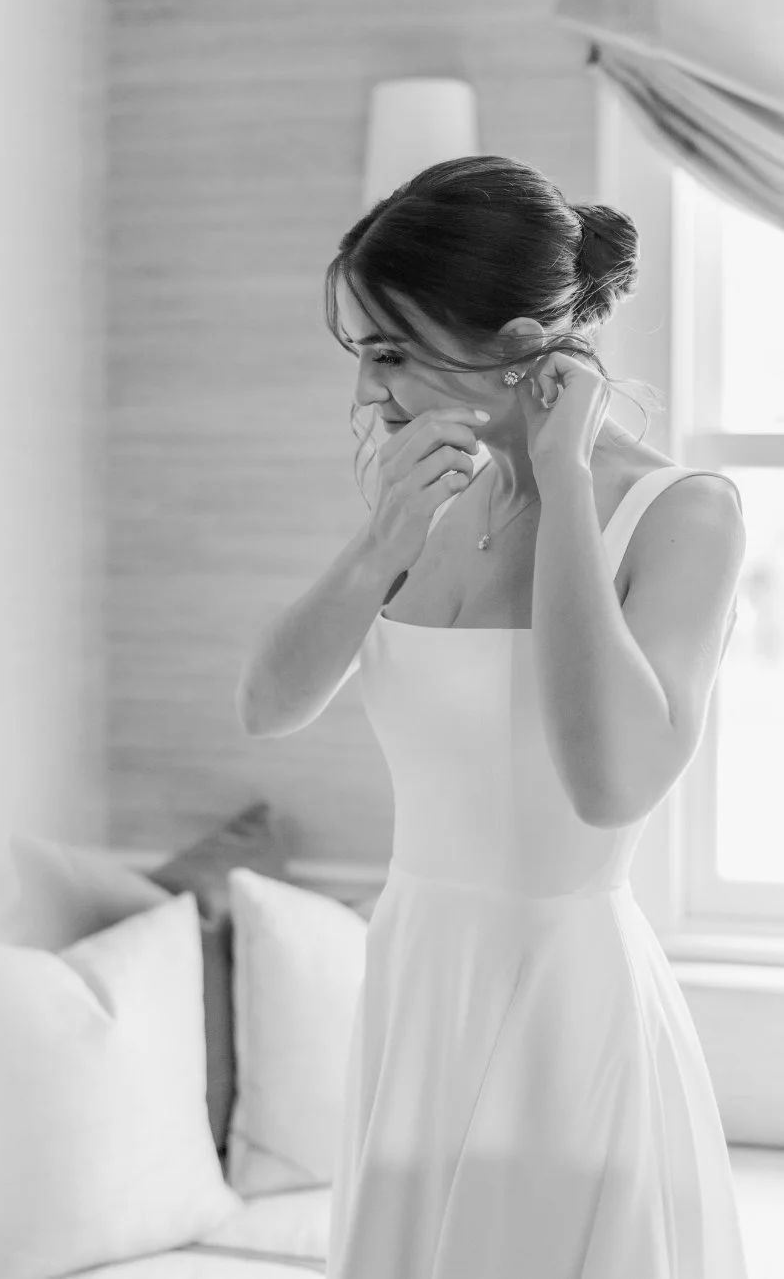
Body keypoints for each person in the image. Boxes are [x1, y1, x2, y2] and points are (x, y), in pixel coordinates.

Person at [309, 156, 748, 1276]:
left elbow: (608, 782)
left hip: (562, 1014)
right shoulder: (424, 500)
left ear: (507, 343)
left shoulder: (681, 514)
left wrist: (561, 486)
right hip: (413, 993)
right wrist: (377, 544)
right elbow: (268, 704)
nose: (369, 395)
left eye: (389, 354)